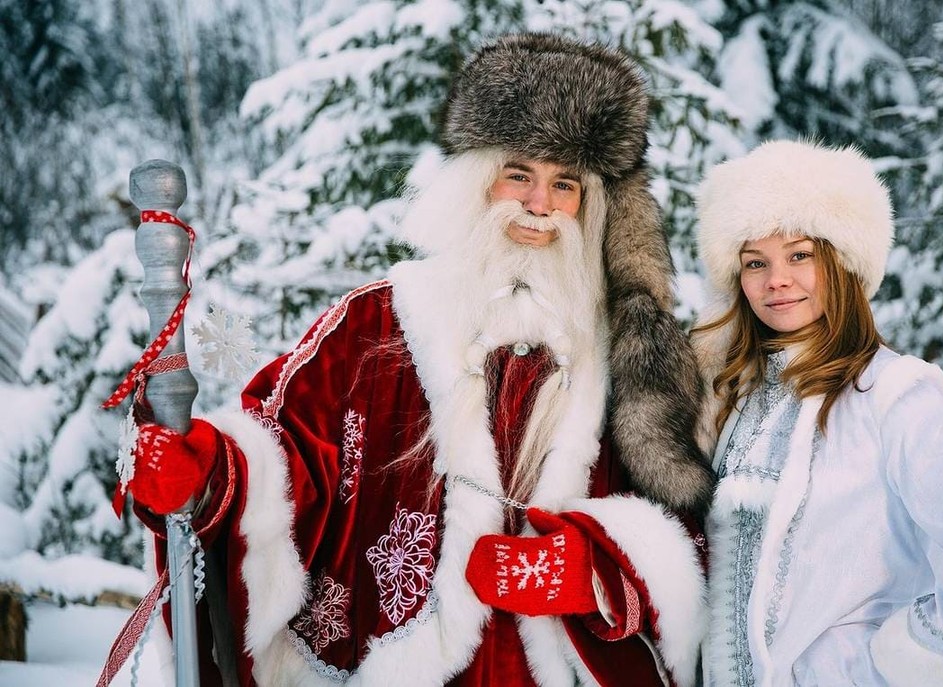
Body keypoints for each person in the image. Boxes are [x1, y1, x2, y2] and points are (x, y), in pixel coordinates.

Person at [117, 34, 716, 687]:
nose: (539, 205)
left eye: (563, 182)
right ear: (478, 178)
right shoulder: (376, 323)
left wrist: (593, 570)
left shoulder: (638, 360)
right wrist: (207, 471)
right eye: (520, 173)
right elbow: (288, 454)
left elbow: (696, 535)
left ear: (592, 202)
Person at [690, 139, 943, 687]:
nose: (777, 280)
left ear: (841, 262)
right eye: (755, 262)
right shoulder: (730, 398)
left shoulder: (891, 393)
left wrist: (883, 662)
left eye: (800, 255)